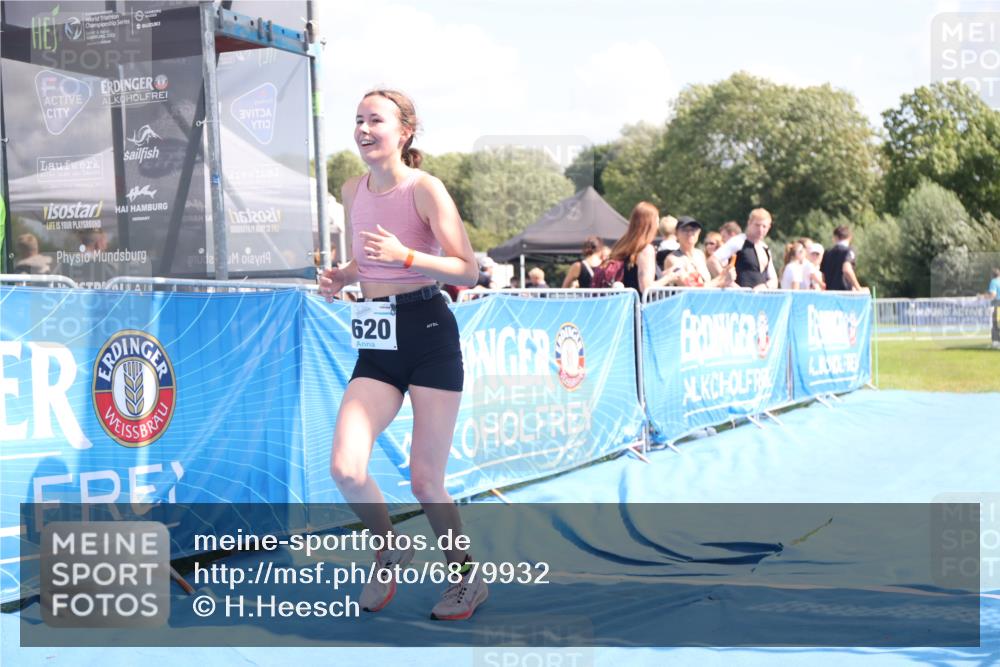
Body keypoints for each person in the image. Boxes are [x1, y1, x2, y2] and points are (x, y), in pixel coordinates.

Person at [317, 88, 486, 621]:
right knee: (345, 468)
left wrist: (407, 255)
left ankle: (466, 578)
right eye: (359, 120)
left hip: (429, 333)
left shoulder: (425, 188)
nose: (364, 129)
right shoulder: (351, 189)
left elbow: (468, 270)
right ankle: (389, 546)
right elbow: (364, 262)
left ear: (405, 133)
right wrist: (341, 276)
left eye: (376, 121)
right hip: (377, 341)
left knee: (424, 480)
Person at [595, 201, 659, 293]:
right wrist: (669, 278)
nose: (658, 225)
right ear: (651, 224)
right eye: (657, 220)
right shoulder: (646, 249)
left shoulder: (622, 244)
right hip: (639, 305)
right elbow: (646, 288)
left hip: (622, 303)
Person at [709, 208, 778, 290]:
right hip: (738, 298)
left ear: (769, 227)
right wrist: (728, 282)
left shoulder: (765, 248)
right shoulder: (738, 241)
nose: (760, 230)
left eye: (764, 226)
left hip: (760, 299)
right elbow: (712, 261)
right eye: (757, 225)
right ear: (749, 223)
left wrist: (766, 286)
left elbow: (774, 280)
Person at [660, 217, 729, 288]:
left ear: (699, 232)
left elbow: (707, 283)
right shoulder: (672, 259)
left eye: (694, 229)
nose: (690, 233)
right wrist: (721, 278)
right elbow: (692, 287)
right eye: (685, 230)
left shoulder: (700, 254)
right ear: (676, 234)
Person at [821, 225, 862, 291]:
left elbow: (823, 275)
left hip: (829, 292)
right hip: (844, 292)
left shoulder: (827, 252)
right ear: (850, 237)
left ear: (835, 237)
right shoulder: (849, 251)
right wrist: (858, 288)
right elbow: (847, 269)